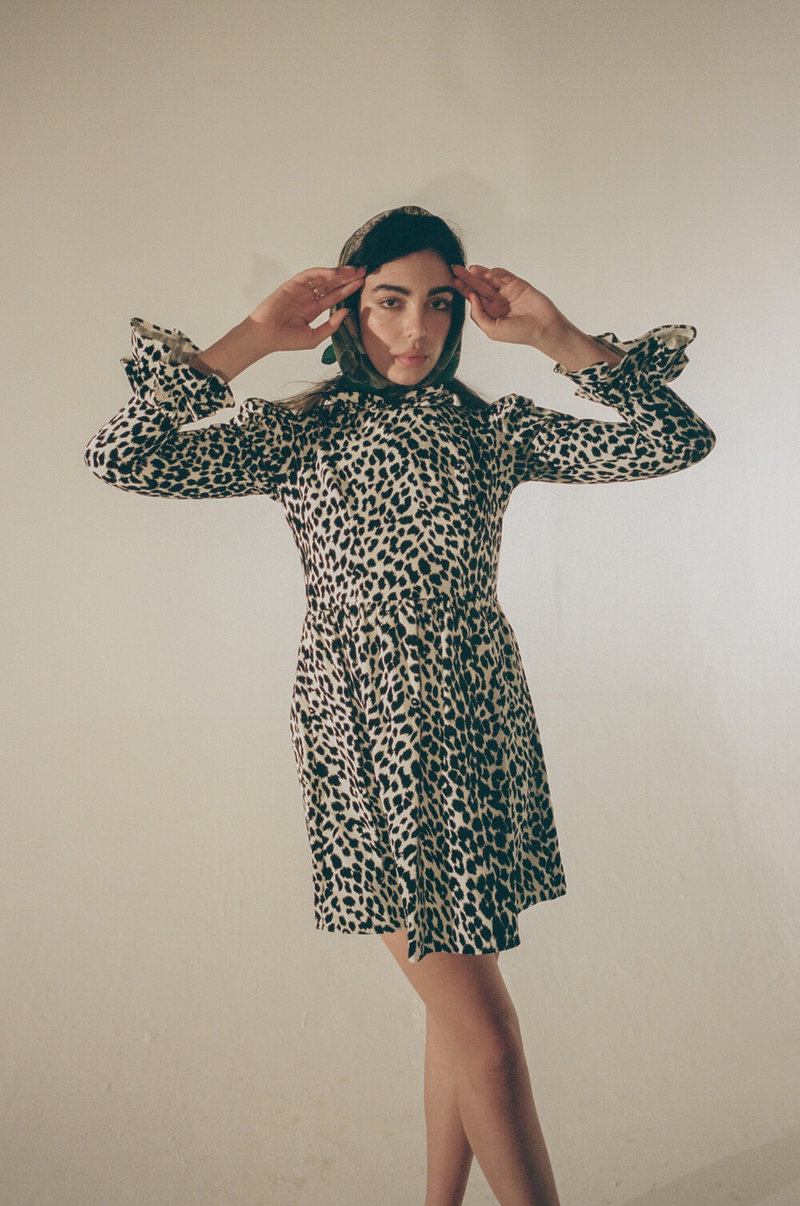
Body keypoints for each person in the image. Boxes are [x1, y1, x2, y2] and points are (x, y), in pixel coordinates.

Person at [85, 205, 715, 1206]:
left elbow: (676, 439)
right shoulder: (297, 435)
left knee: (458, 1022)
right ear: (348, 310)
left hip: (477, 729)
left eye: (435, 304)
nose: (415, 328)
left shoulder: (492, 431)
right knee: (488, 1037)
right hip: (363, 738)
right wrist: (251, 339)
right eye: (388, 302)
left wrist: (554, 335)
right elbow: (123, 456)